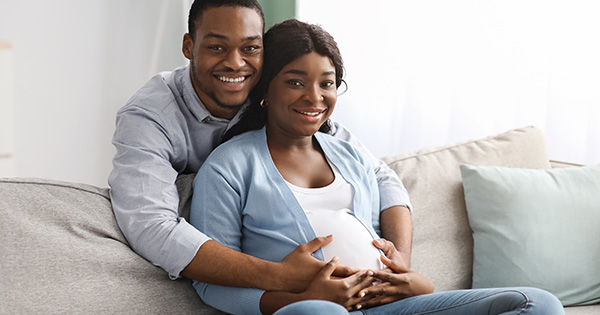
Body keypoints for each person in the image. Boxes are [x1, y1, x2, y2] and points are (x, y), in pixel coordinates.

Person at [190, 19, 565, 315]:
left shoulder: (349, 154)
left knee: (538, 304)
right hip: (310, 310)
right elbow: (211, 285)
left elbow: (391, 190)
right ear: (265, 91)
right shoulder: (230, 166)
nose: (315, 97)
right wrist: (300, 298)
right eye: (295, 82)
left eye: (327, 83)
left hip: (391, 306)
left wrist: (411, 276)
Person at [107, 0, 412, 303]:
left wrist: (398, 264)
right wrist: (280, 276)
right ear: (189, 46)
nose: (236, 63)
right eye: (217, 47)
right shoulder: (151, 115)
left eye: (250, 48)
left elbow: (380, 175)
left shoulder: (280, 94)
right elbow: (151, 226)